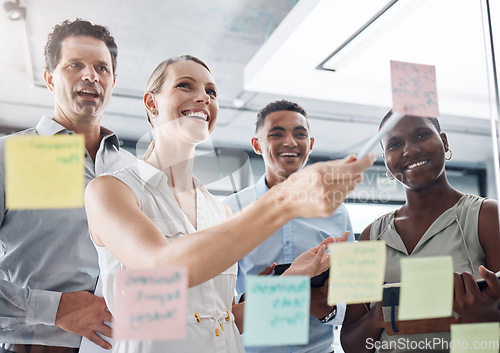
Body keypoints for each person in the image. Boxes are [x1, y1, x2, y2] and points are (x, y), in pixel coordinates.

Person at [83, 55, 376, 353]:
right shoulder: (111, 191)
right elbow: (162, 269)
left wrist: (292, 280)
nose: (203, 97)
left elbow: (223, 320)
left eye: (211, 92)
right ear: (151, 103)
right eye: (185, 85)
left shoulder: (218, 211)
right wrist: (284, 200)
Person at [0, 19, 135, 353]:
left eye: (101, 68)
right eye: (75, 65)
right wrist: (54, 308)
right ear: (49, 78)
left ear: (113, 82)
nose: (91, 75)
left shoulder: (134, 171)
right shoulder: (10, 156)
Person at [341, 113, 500, 353]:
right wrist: (377, 316)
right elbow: (352, 346)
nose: (410, 150)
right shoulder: (369, 235)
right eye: (394, 144)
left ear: (444, 142)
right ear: (385, 159)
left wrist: (484, 316)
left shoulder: (488, 215)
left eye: (421, 135)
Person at [224, 99, 353, 353]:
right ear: (257, 145)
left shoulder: (336, 212)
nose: (290, 142)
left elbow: (356, 295)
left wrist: (328, 309)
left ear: (311, 144)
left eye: (300, 134)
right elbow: (215, 299)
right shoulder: (230, 210)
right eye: (277, 134)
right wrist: (249, 300)